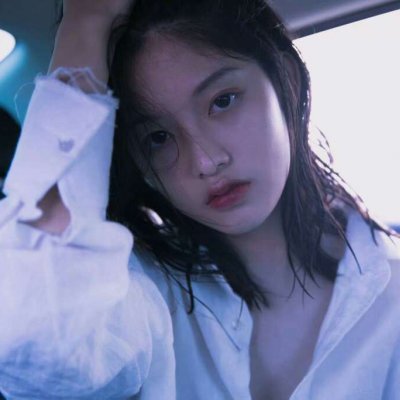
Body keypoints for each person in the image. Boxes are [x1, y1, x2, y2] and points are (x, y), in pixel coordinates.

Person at [0, 0, 399, 399]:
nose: (206, 161)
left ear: (286, 81)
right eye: (158, 138)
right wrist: (86, 22)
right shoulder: (137, 295)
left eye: (223, 101)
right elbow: (33, 345)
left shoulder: (390, 295)